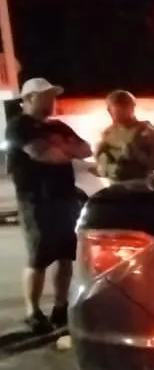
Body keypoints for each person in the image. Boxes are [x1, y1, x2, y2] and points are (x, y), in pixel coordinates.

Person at [4, 77, 91, 333]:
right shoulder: (18, 126)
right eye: (46, 96)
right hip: (36, 200)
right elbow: (44, 155)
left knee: (65, 255)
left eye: (53, 96)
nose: (51, 101)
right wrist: (64, 148)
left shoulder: (58, 126)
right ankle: (33, 312)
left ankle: (60, 306)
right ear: (28, 99)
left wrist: (59, 146)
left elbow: (85, 150)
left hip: (65, 197)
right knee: (39, 257)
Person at [95, 90, 154, 182]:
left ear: (132, 107)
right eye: (115, 108)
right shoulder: (106, 134)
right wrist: (110, 168)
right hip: (116, 188)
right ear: (109, 110)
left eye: (124, 106)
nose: (119, 111)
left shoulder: (148, 133)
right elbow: (100, 166)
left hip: (141, 187)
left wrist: (138, 156)